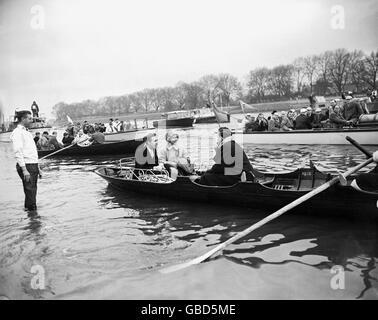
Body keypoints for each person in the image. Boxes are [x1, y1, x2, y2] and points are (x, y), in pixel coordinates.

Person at [10, 110, 40, 211]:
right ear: (23, 119)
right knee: (30, 191)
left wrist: (38, 167)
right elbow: (18, 152)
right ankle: (33, 218)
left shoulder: (26, 132)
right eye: (29, 118)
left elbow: (32, 152)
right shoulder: (17, 132)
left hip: (32, 164)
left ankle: (31, 216)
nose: (31, 120)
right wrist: (24, 170)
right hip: (27, 166)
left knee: (32, 191)